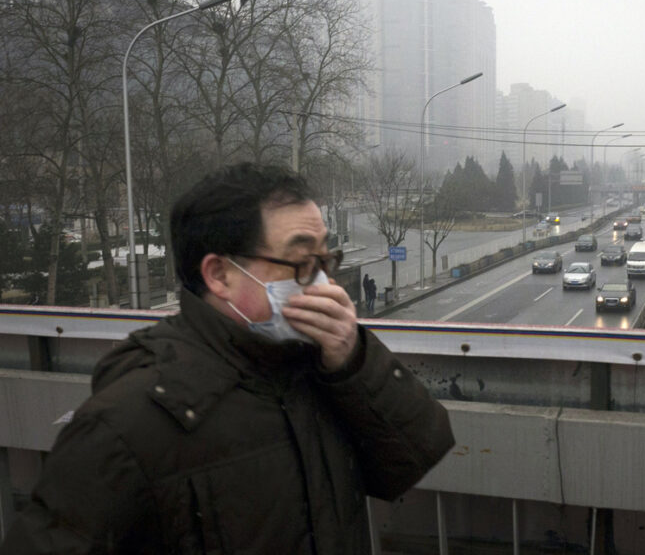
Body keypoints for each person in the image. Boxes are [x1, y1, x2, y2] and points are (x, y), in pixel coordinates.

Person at [0, 163, 454, 554]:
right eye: (300, 264)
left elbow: (414, 459)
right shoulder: (128, 419)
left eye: (324, 261)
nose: (324, 286)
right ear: (219, 275)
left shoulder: (319, 368)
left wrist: (353, 359)